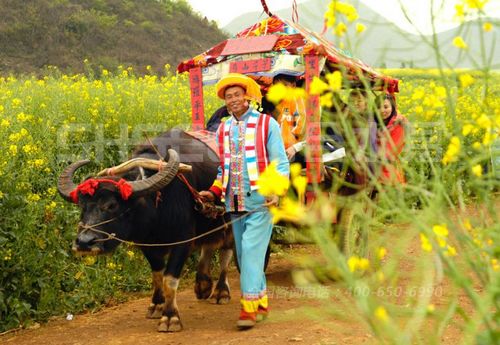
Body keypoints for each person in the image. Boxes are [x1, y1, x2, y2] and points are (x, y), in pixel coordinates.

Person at [199, 73, 289, 329]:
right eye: (229, 96)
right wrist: (214, 193)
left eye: (237, 94)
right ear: (225, 102)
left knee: (250, 252)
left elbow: (280, 162)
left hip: (261, 202)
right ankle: (260, 303)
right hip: (233, 204)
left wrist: (275, 189)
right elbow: (222, 170)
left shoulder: (266, 124)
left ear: (247, 96)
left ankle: (249, 310)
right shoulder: (224, 128)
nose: (233, 99)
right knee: (244, 255)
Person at [271, 74, 307, 162]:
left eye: (284, 85)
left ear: (293, 85)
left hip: (296, 149)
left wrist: (295, 141)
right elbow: (282, 125)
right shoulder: (283, 104)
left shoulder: (296, 98)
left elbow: (302, 121)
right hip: (286, 149)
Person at [375, 93, 408, 184]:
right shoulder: (375, 122)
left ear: (393, 107)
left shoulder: (398, 125)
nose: (382, 110)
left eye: (386, 107)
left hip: (388, 171)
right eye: (378, 107)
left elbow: (389, 152)